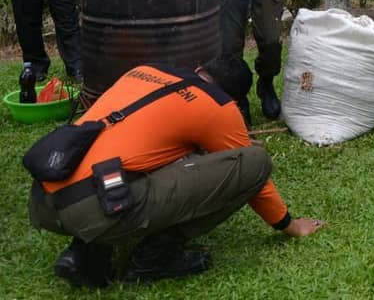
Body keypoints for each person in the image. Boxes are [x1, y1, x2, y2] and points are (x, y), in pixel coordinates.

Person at [28, 58, 324, 287]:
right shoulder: (220, 107)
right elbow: (251, 174)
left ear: (198, 68)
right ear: (235, 101)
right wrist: (289, 225)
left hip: (46, 196)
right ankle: (154, 258)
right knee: (255, 161)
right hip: (92, 207)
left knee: (127, 158)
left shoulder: (144, 70)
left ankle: (86, 252)